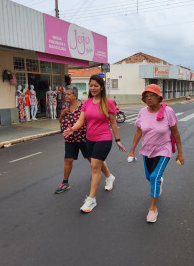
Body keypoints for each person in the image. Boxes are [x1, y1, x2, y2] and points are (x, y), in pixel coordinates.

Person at [64, 75, 126, 212]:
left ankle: (91, 200)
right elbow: (81, 121)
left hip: (103, 138)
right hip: (89, 139)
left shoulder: (108, 103)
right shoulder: (86, 103)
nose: (92, 88)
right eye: (91, 85)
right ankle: (109, 177)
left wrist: (118, 140)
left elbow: (114, 123)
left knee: (94, 167)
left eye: (95, 86)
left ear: (101, 87)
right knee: (97, 162)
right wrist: (72, 129)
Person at [127, 84, 185, 223]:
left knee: (153, 177)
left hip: (163, 149)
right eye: (146, 96)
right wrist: (132, 150)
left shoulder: (168, 111)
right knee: (149, 176)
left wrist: (180, 152)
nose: (149, 98)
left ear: (159, 98)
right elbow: (139, 131)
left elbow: (175, 132)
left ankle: (153, 209)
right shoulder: (142, 112)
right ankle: (158, 181)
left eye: (152, 95)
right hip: (147, 149)